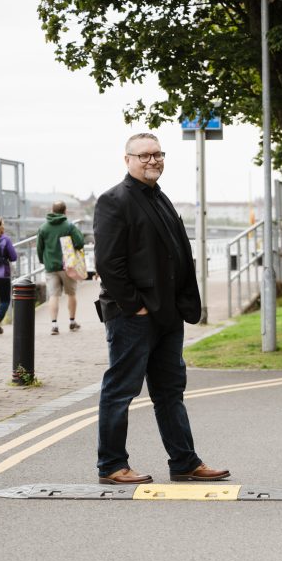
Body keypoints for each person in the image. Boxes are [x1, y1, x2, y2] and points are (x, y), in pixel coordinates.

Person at [92, 133, 229, 485]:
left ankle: (184, 461)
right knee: (121, 389)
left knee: (170, 391)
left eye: (158, 154)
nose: (152, 161)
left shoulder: (161, 198)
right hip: (132, 316)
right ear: (128, 160)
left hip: (167, 314)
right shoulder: (113, 201)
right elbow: (109, 263)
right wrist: (134, 306)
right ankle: (111, 464)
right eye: (144, 156)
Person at [36, 200, 84, 334]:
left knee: (53, 295)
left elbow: (39, 249)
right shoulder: (69, 226)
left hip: (50, 266)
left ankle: (54, 325)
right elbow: (80, 242)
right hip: (67, 266)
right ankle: (72, 322)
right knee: (71, 293)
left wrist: (43, 260)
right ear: (65, 211)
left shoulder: (43, 228)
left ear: (52, 210)